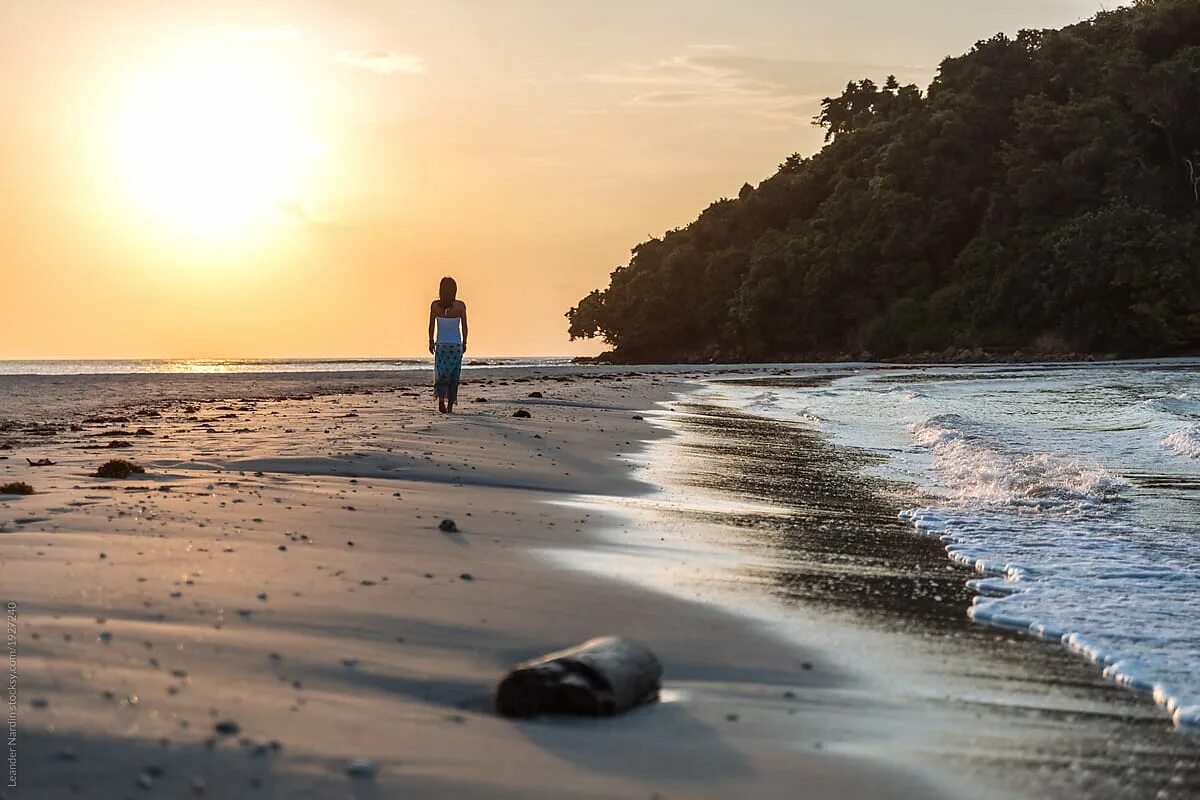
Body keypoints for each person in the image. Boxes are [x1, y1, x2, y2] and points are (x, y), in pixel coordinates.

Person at [428, 276, 468, 413]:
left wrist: (430, 341)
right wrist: (465, 342)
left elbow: (431, 326)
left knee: (441, 375)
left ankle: (440, 401)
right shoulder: (460, 306)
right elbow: (464, 326)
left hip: (441, 346)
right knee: (453, 377)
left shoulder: (435, 306)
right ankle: (450, 406)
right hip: (455, 346)